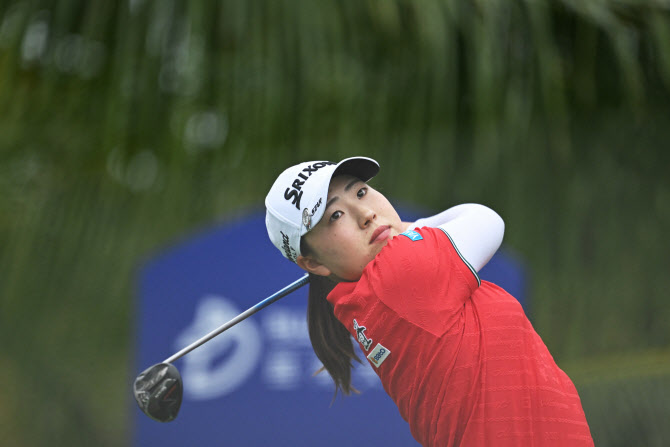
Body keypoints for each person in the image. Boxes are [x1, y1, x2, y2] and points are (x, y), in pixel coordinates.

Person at [265, 156, 594, 446]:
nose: (366, 214)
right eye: (335, 215)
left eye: (361, 192)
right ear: (313, 263)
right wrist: (414, 228)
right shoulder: (399, 272)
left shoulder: (362, 303)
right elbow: (486, 219)